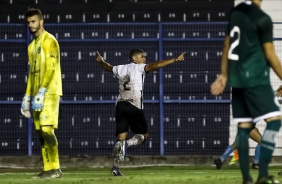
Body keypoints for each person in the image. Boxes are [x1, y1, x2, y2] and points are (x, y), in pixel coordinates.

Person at [210, 0, 282, 183]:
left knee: (243, 128)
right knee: (274, 122)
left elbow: (226, 45)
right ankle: (262, 171)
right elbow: (270, 54)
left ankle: (246, 178)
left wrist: (223, 75)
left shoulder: (235, 15)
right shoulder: (261, 18)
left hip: (237, 80)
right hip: (256, 79)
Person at [96, 49, 185, 176]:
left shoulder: (120, 68)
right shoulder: (139, 68)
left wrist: (101, 61)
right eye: (142, 57)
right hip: (134, 105)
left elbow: (107, 67)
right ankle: (126, 144)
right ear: (134, 59)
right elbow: (155, 65)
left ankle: (115, 167)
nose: (144, 59)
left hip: (120, 105)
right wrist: (174, 60)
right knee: (143, 136)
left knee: (121, 136)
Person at [20, 8, 63, 179]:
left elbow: (51, 67)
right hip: (37, 93)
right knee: (40, 132)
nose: (31, 25)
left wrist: (43, 90)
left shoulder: (49, 40)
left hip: (50, 91)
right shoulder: (31, 47)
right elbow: (31, 74)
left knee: (46, 129)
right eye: (29, 22)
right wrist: (27, 96)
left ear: (41, 21)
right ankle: (48, 169)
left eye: (34, 21)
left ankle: (56, 168)